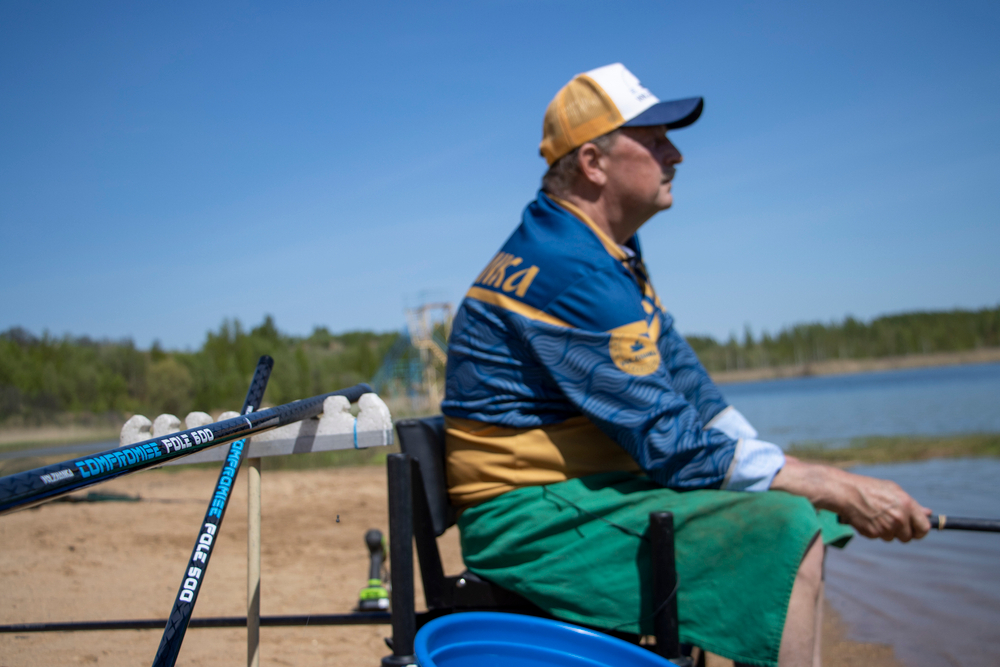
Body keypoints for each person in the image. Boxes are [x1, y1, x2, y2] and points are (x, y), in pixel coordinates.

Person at [440, 63, 931, 667]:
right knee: (784, 530)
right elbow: (674, 446)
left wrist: (800, 472)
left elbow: (688, 388)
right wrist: (833, 483)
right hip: (527, 521)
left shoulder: (603, 248)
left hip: (575, 493)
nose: (675, 154)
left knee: (803, 514)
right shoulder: (573, 268)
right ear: (593, 163)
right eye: (653, 140)